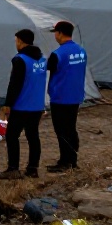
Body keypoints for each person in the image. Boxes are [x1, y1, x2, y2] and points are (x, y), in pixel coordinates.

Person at [0, 29, 48, 179]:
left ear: (20, 41)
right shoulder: (42, 59)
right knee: (33, 136)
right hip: (37, 105)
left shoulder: (20, 59)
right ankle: (33, 168)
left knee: (12, 136)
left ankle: (13, 168)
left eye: (16, 41)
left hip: (21, 105)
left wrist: (8, 104)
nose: (16, 43)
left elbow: (15, 84)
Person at [45, 21, 88, 171]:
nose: (55, 36)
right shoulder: (81, 51)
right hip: (75, 95)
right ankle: (72, 160)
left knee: (62, 130)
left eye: (56, 33)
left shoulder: (58, 54)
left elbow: (47, 67)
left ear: (60, 33)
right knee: (71, 129)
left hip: (61, 97)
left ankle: (65, 163)